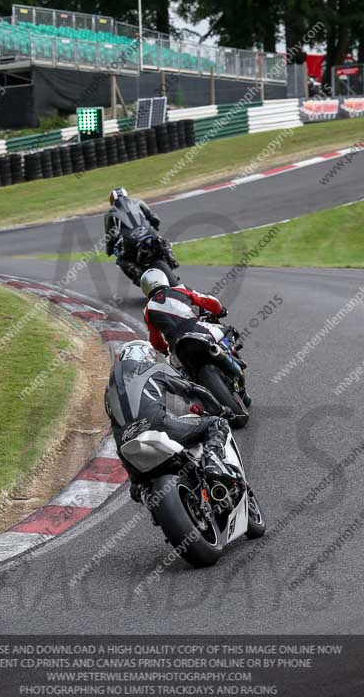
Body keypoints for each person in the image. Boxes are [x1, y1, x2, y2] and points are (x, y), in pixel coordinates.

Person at [104, 340, 240, 501]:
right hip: (158, 426)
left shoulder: (108, 390)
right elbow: (193, 389)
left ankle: (142, 489)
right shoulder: (154, 368)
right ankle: (213, 463)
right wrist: (221, 409)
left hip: (126, 446)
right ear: (147, 355)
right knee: (217, 423)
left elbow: (115, 428)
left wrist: (133, 478)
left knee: (138, 487)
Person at [141, 268, 250, 408]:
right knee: (230, 332)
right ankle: (233, 357)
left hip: (176, 347)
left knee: (181, 375)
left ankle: (199, 402)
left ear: (145, 288)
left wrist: (164, 350)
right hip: (198, 330)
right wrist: (220, 310)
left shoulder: (147, 310)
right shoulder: (179, 289)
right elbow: (207, 301)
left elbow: (155, 339)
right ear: (164, 279)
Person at [104, 187, 178, 285]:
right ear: (126, 195)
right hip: (147, 231)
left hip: (131, 240)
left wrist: (109, 249)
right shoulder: (137, 201)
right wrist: (155, 225)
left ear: (111, 201)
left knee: (122, 260)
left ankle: (139, 276)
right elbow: (153, 217)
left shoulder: (110, 213)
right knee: (162, 241)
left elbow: (109, 236)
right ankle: (172, 259)